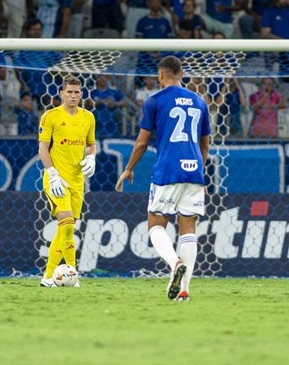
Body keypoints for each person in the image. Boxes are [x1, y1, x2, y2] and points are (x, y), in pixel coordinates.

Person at [115, 56, 211, 302]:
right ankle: (185, 290)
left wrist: (128, 168)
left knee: (156, 225)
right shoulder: (200, 102)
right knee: (188, 229)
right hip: (194, 171)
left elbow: (142, 142)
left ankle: (173, 261)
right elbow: (205, 143)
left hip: (167, 170)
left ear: (160, 75)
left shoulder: (155, 101)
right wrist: (199, 169)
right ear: (182, 73)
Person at [39, 75, 97, 288]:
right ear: (62, 93)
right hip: (56, 180)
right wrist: (52, 173)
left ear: (81, 94)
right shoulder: (50, 117)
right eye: (69, 92)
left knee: (64, 229)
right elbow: (42, 149)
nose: (73, 95)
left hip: (77, 181)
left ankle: (47, 277)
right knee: (68, 226)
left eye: (77, 92)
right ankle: (73, 274)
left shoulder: (88, 117)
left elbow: (91, 144)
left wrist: (91, 157)